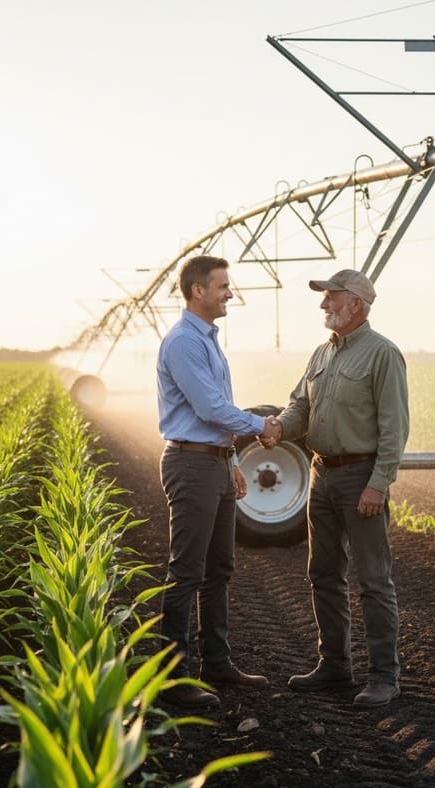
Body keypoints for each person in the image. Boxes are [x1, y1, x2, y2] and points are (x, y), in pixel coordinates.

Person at [264, 269, 409, 708]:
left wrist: (378, 484)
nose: (324, 304)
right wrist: (278, 429)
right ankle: (334, 665)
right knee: (323, 574)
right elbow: (300, 407)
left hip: (360, 477)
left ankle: (384, 676)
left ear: (357, 304)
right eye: (324, 297)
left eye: (331, 297)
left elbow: (394, 428)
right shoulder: (320, 354)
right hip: (321, 474)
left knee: (372, 581)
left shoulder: (383, 354)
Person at [156, 254, 278, 708]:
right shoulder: (185, 343)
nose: (230, 292)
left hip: (214, 463)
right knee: (186, 571)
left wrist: (230, 461)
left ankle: (217, 662)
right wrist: (261, 424)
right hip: (191, 465)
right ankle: (174, 678)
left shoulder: (207, 339)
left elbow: (211, 416)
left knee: (219, 568)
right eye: (223, 285)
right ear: (197, 291)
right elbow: (209, 408)